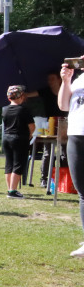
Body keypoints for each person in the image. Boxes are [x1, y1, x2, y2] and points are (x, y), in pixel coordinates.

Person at [59, 59, 84, 256]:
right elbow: (63, 105)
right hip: (76, 135)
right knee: (82, 191)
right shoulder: (79, 80)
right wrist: (66, 81)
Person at [0, 87, 34, 199]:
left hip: (6, 138)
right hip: (19, 138)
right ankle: (13, 191)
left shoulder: (4, 109)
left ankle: (10, 188)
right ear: (21, 96)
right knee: (18, 164)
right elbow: (32, 127)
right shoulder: (24, 110)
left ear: (8, 97)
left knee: (9, 164)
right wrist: (29, 135)